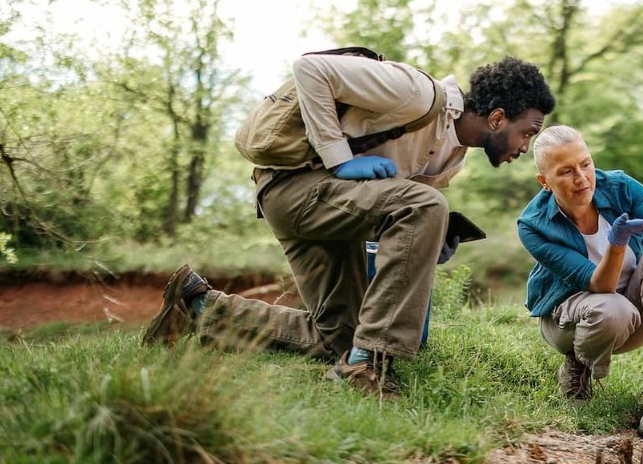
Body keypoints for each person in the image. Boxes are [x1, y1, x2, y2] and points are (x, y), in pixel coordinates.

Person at [143, 52, 555, 397]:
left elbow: (391, 207)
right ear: (498, 118)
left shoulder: (451, 157)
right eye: (528, 133)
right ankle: (367, 366)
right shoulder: (417, 93)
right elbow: (311, 69)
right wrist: (340, 158)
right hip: (293, 187)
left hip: (328, 208)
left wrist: (432, 236)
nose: (526, 147)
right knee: (426, 208)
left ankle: (197, 304)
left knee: (340, 337)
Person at [516, 125, 643, 442]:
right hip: (569, 320)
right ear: (544, 182)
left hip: (633, 316)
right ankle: (577, 364)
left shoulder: (617, 187)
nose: (582, 178)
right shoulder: (533, 225)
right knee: (611, 308)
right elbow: (598, 285)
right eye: (566, 171)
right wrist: (618, 245)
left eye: (586, 164)